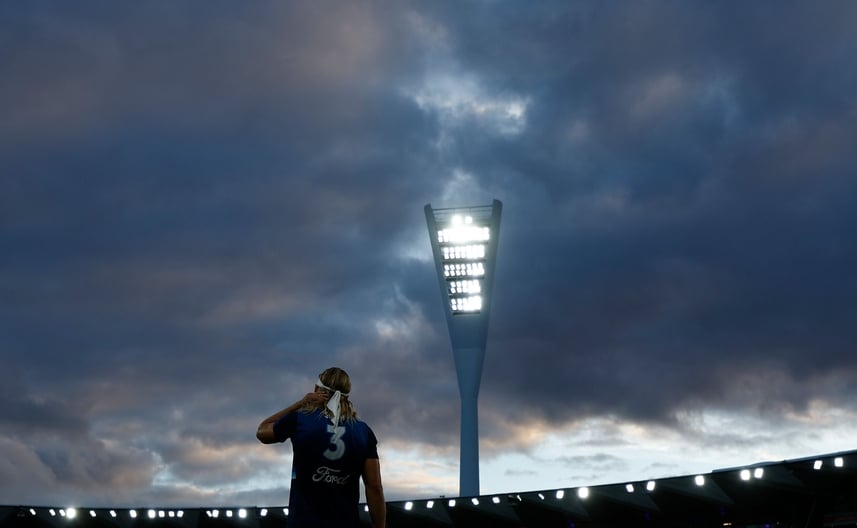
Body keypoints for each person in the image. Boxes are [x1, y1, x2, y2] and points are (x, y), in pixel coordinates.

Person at [256, 367, 386, 528]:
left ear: (317, 390)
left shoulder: (300, 420)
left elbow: (262, 431)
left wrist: (300, 404)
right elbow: (374, 487)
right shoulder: (364, 431)